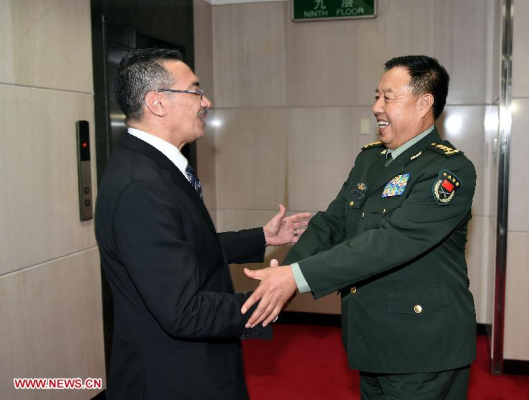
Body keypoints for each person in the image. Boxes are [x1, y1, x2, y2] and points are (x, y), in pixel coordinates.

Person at [241, 55, 477, 399]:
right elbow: (334, 221)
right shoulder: (371, 159)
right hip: (372, 338)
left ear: (424, 103)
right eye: (376, 96)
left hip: (422, 348)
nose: (375, 107)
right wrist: (288, 270)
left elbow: (391, 241)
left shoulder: (448, 170)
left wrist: (298, 277)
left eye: (387, 97)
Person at [95, 48, 309, 400]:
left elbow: (184, 247)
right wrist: (269, 299)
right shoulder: (142, 187)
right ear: (157, 103)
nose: (206, 101)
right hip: (174, 380)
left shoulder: (152, 166)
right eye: (195, 91)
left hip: (192, 366)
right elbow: (183, 311)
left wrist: (263, 238)